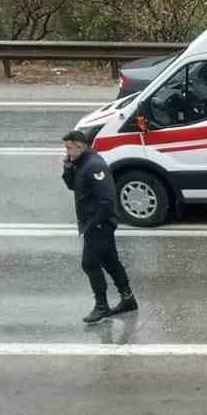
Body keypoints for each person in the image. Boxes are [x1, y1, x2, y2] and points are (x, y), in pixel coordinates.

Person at [62, 129, 136, 324]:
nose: (67, 151)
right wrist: (68, 168)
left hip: (98, 225)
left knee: (90, 263)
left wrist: (95, 224)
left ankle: (101, 306)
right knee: (111, 261)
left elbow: (108, 200)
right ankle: (128, 299)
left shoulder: (94, 166)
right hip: (94, 223)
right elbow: (72, 186)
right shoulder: (80, 164)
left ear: (80, 145)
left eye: (69, 147)